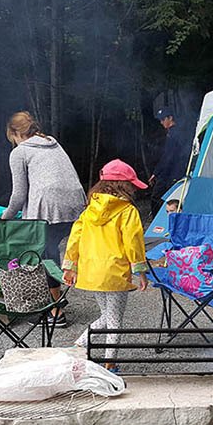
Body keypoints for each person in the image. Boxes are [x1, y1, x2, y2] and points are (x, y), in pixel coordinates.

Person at [62, 159, 149, 371]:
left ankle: (77, 347)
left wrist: (69, 266)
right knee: (115, 321)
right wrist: (140, 271)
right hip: (115, 273)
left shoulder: (90, 209)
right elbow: (133, 242)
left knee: (107, 316)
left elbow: (75, 238)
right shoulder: (127, 211)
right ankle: (110, 364)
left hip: (92, 272)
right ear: (124, 185)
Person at [2, 111, 86, 326]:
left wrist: (4, 218)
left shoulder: (20, 152)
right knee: (49, 250)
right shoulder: (52, 142)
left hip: (49, 207)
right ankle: (55, 298)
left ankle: (56, 311)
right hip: (77, 202)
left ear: (14, 133)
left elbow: (19, 195)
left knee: (45, 253)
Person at [149, 107, 190, 207]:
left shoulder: (174, 134)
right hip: (174, 171)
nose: (162, 123)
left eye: (163, 119)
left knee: (158, 197)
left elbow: (168, 156)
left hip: (172, 173)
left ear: (170, 118)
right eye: (160, 120)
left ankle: (158, 220)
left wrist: (157, 172)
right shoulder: (175, 132)